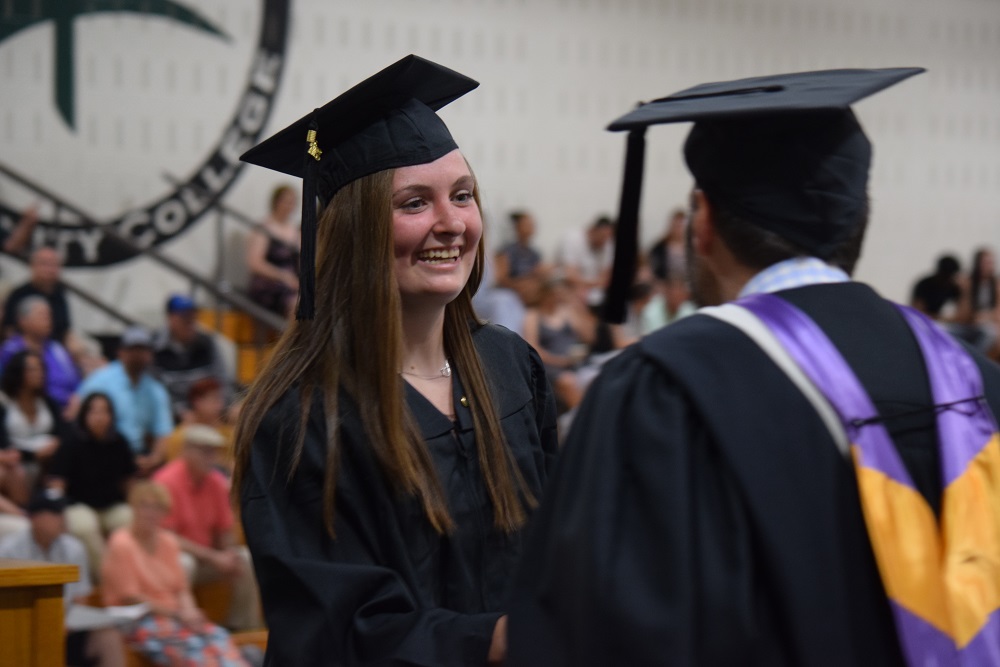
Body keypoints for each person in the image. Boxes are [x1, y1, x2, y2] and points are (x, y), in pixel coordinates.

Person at [505, 68, 1000, 666]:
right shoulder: (973, 376)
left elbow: (601, 631)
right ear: (856, 219)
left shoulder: (665, 389)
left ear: (704, 222)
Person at [234, 55, 557, 665]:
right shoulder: (303, 418)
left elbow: (554, 545)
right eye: (413, 203)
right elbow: (332, 632)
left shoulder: (510, 366)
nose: (451, 224)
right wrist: (493, 642)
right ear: (355, 232)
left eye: (463, 195)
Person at [101, 481, 250, 667]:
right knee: (193, 648)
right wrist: (177, 615)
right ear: (134, 508)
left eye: (158, 507)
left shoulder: (168, 541)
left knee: (216, 636)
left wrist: (190, 612)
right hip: (139, 619)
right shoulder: (121, 543)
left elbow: (181, 589)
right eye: (145, 506)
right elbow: (130, 597)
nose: (150, 512)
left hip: (174, 615)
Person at [153, 424, 262, 632]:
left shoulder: (216, 483)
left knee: (245, 558)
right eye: (204, 451)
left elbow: (224, 530)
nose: (210, 457)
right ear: (186, 451)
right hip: (170, 558)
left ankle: (241, 628)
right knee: (184, 563)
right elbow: (166, 537)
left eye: (213, 452)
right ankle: (177, 629)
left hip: (207, 556)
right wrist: (214, 557)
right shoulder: (165, 481)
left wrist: (228, 553)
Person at [0, 488, 127, 667]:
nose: (63, 518)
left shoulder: (73, 547)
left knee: (108, 634)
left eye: (63, 512)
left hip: (67, 626)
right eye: (55, 513)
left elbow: (80, 598)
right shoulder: (9, 549)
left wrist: (65, 626)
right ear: (35, 518)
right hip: (24, 629)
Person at [47, 392, 137, 581]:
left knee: (129, 519)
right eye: (93, 412)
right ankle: (110, 579)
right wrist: (57, 512)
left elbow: (129, 481)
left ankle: (135, 577)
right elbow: (57, 482)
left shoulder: (119, 442)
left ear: (111, 416)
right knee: (85, 526)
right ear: (84, 415)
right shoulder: (71, 441)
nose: (99, 417)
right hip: (77, 504)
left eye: (104, 412)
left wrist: (136, 504)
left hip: (111, 504)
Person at [70, 326, 174, 475]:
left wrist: (154, 459)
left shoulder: (155, 390)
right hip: (103, 452)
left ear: (150, 354)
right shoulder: (101, 380)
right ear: (121, 352)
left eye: (142, 350)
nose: (138, 355)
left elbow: (163, 431)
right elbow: (75, 413)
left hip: (138, 454)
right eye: (133, 349)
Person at [151, 294, 233, 419]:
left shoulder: (207, 343)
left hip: (211, 412)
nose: (190, 322)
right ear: (171, 318)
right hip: (171, 417)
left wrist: (221, 406)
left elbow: (223, 380)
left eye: (193, 316)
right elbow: (154, 390)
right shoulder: (154, 347)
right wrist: (179, 412)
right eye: (184, 317)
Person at [0, 350, 69, 484]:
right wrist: (33, 456)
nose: (39, 374)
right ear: (18, 372)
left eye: (41, 369)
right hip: (16, 462)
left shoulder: (48, 402)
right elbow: (3, 445)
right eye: (32, 370)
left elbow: (64, 432)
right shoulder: (3, 403)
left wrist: (57, 443)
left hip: (48, 462)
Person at [0, 296, 81, 409]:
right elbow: (13, 388)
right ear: (22, 320)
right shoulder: (10, 350)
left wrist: (76, 400)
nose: (48, 320)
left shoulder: (57, 349)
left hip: (69, 409)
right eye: (42, 316)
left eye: (49, 316)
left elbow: (75, 381)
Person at [246, 184, 300, 318]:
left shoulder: (296, 231)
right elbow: (255, 263)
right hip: (270, 285)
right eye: (286, 201)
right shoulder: (264, 228)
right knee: (297, 303)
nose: (289, 206)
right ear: (276, 202)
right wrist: (283, 276)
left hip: (292, 285)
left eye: (292, 202)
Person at [2, 246, 74, 346]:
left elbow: (65, 329)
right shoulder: (18, 294)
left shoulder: (59, 293)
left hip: (55, 346)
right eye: (45, 264)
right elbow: (9, 330)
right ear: (32, 266)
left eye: (54, 264)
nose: (50, 270)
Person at [162, 377, 235, 472]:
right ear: (197, 402)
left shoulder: (228, 434)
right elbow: (174, 469)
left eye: (220, 399)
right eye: (214, 400)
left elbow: (234, 467)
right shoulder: (180, 437)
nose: (220, 405)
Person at [556, 215, 615, 308]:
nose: (604, 241)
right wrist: (590, 284)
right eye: (602, 237)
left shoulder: (607, 244)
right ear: (592, 230)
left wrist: (591, 285)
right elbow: (570, 275)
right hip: (569, 286)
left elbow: (605, 275)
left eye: (607, 238)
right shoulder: (573, 238)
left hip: (594, 290)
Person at [494, 210, 549, 306]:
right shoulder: (507, 251)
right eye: (527, 224)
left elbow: (539, 275)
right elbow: (501, 280)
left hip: (534, 288)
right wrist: (521, 284)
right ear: (517, 227)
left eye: (532, 224)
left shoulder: (535, 253)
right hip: (516, 290)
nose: (531, 227)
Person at [910, 254, 963, 321]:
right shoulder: (924, 285)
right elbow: (917, 312)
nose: (947, 280)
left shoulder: (955, 287)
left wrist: (965, 291)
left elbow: (963, 317)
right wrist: (939, 318)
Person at [647, 207, 688, 281]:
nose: (678, 229)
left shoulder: (694, 249)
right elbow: (654, 270)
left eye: (681, 226)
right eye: (676, 225)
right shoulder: (659, 248)